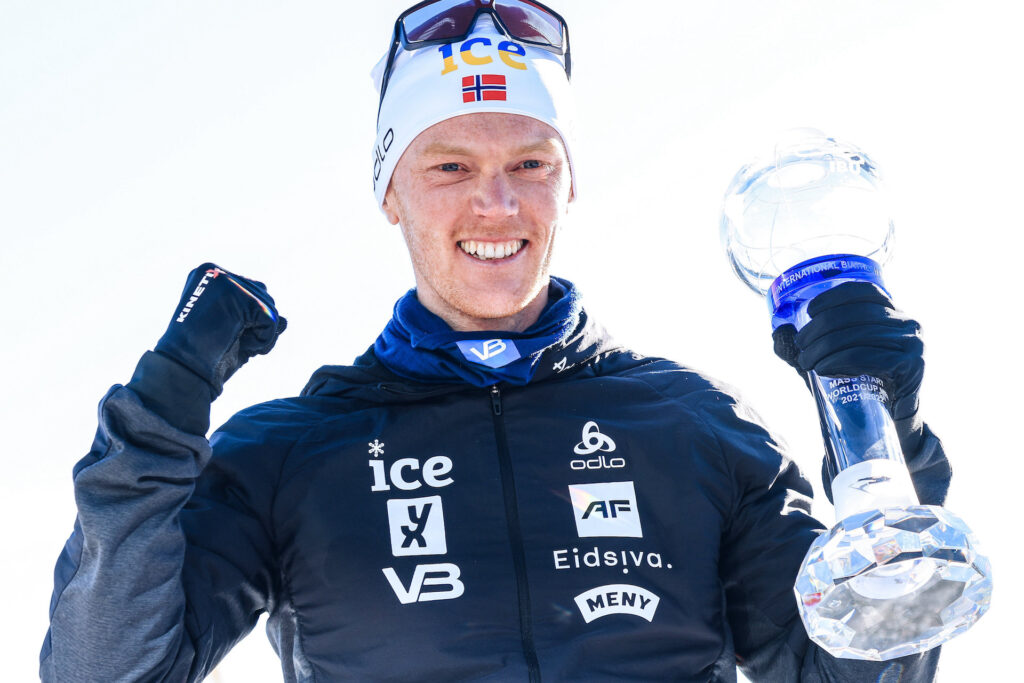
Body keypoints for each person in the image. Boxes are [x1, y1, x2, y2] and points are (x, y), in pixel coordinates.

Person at [42, 2, 953, 681]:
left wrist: (882, 433)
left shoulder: (693, 425)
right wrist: (158, 415)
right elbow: (103, 669)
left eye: (531, 164)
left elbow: (863, 667)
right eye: (451, 167)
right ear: (390, 191)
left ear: (567, 184)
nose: (497, 204)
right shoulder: (290, 451)